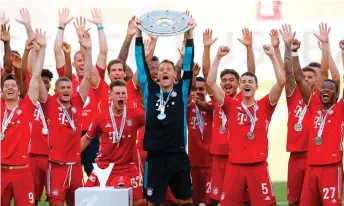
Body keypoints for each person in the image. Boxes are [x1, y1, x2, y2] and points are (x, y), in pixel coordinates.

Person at [207, 44, 285, 206]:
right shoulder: (230, 105)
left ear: (256, 86)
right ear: (240, 87)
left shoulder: (265, 105)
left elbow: (281, 80)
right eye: (243, 81)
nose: (246, 83)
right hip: (235, 166)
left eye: (250, 81)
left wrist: (272, 56)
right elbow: (210, 82)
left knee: (268, 204)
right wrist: (218, 57)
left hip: (258, 166)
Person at [134, 16, 196, 205]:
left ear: (174, 75)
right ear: (158, 75)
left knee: (186, 200)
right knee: (153, 202)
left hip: (178, 156)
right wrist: (138, 33)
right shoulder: (150, 90)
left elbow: (188, 64)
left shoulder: (182, 90)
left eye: (168, 68)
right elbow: (140, 64)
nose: (165, 71)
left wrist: (190, 32)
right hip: (155, 158)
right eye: (161, 69)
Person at [43, 29, 96, 206]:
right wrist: (40, 49)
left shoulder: (77, 101)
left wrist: (87, 50)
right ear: (56, 90)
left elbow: (88, 75)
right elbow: (35, 78)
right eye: (62, 88)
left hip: (75, 166)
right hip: (56, 165)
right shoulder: (49, 103)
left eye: (69, 87)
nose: (66, 90)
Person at [53, 8, 106, 176]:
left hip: (91, 135)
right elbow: (57, 51)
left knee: (93, 174)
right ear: (74, 64)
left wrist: (97, 29)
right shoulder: (67, 81)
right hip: (69, 134)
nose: (82, 63)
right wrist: (61, 27)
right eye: (78, 61)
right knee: (69, 175)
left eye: (84, 60)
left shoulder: (95, 79)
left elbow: (103, 52)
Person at [1, 29, 47, 206]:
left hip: (23, 173)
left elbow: (35, 77)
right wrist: (6, 44)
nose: (10, 88)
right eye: (7, 86)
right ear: (3, 91)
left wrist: (42, 49)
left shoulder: (27, 106)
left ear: (19, 90)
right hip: (1, 172)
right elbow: (7, 67)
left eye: (14, 85)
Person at [81, 79, 145, 206]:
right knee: (87, 200)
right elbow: (87, 138)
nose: (120, 96)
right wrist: (72, 155)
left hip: (127, 165)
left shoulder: (136, 115)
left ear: (127, 96)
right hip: (105, 166)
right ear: (110, 95)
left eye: (123, 93)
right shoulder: (100, 117)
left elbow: (152, 126)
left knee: (140, 202)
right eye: (117, 93)